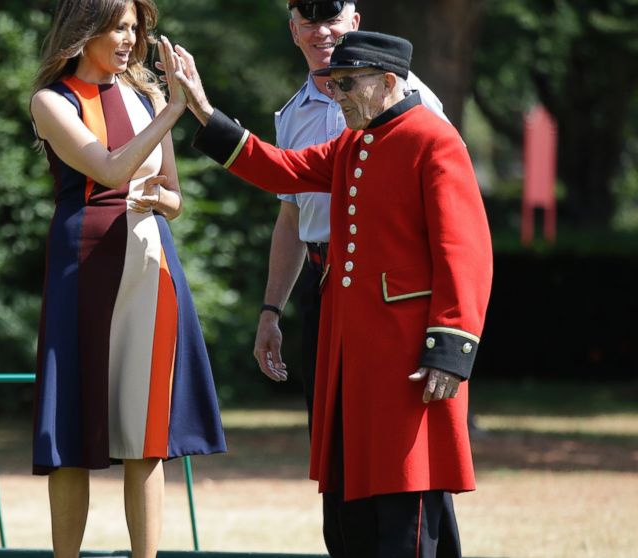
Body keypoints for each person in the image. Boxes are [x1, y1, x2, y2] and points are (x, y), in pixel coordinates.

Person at [170, 31, 492, 557]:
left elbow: (465, 251)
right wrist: (204, 112)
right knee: (349, 495)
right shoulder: (352, 143)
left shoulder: (434, 139)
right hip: (351, 351)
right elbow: (280, 168)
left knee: (407, 494)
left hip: (407, 353)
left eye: (346, 83)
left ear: (387, 81)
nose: (335, 94)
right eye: (332, 83)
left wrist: (450, 349)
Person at [28, 2, 226, 557]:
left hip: (150, 263)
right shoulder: (51, 100)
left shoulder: (147, 97)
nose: (128, 39)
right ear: (85, 29)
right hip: (82, 263)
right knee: (71, 429)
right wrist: (176, 109)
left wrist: (160, 198)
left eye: (134, 29)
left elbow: (175, 198)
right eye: (118, 27)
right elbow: (110, 169)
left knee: (146, 433)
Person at [254, 1, 450, 434]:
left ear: (355, 22)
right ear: (293, 31)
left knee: (391, 435)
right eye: (309, 22)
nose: (322, 32)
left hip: (391, 292)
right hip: (323, 285)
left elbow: (450, 218)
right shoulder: (291, 115)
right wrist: (271, 310)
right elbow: (291, 219)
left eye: (332, 19)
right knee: (330, 435)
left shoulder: (409, 96)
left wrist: (447, 329)